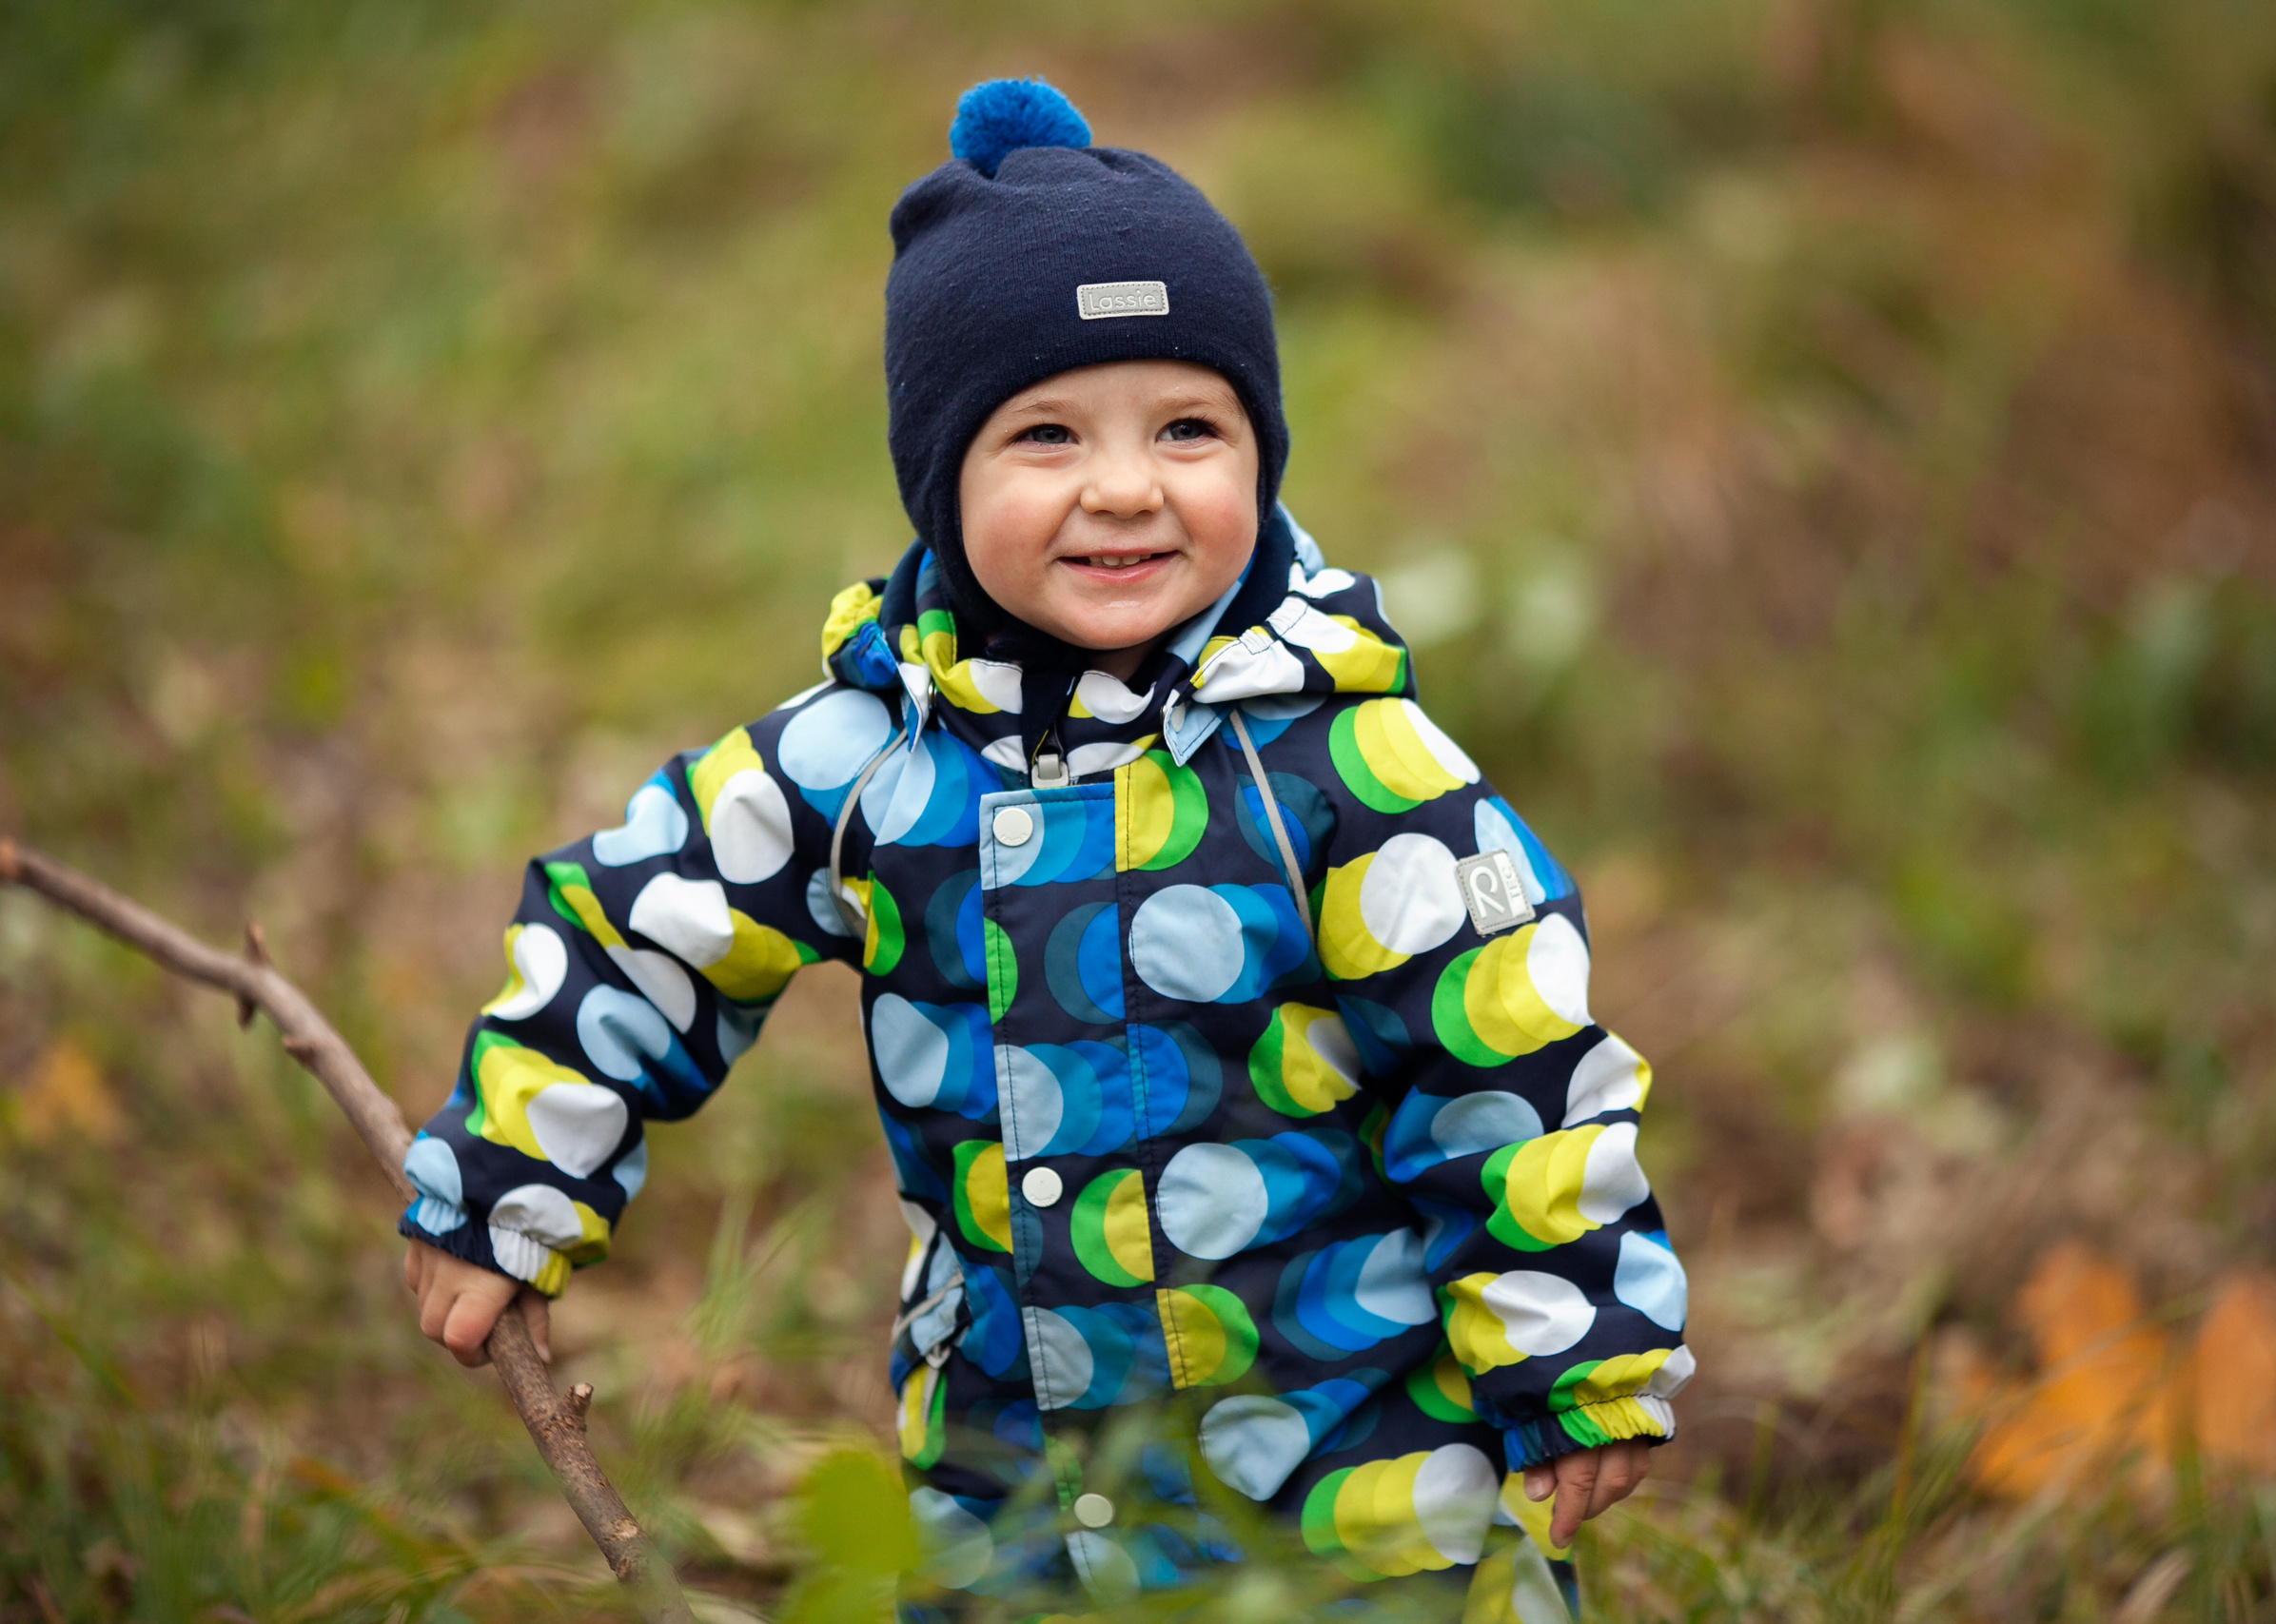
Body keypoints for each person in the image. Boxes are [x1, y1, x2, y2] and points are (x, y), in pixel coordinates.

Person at [399, 77, 1691, 1621]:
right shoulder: (866, 755)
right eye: (1048, 434)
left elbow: (1516, 1059)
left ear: (1261, 452)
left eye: (1191, 427)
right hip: (1017, 1470)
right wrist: (508, 1175)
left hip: (1359, 1477)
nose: (1129, 485)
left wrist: (1580, 1341)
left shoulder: (1341, 762)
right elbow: (642, 928)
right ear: (941, 481)